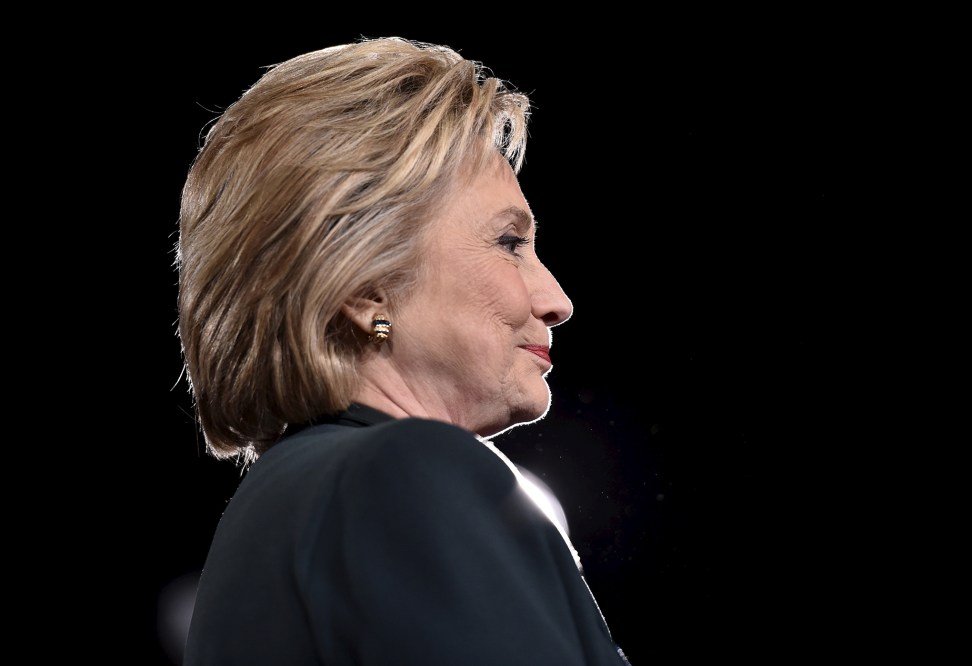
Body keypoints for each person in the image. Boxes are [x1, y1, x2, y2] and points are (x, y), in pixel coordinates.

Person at [174, 36, 631, 665]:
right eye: (508, 243)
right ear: (368, 289)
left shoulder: (279, 512)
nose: (556, 300)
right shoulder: (402, 476)